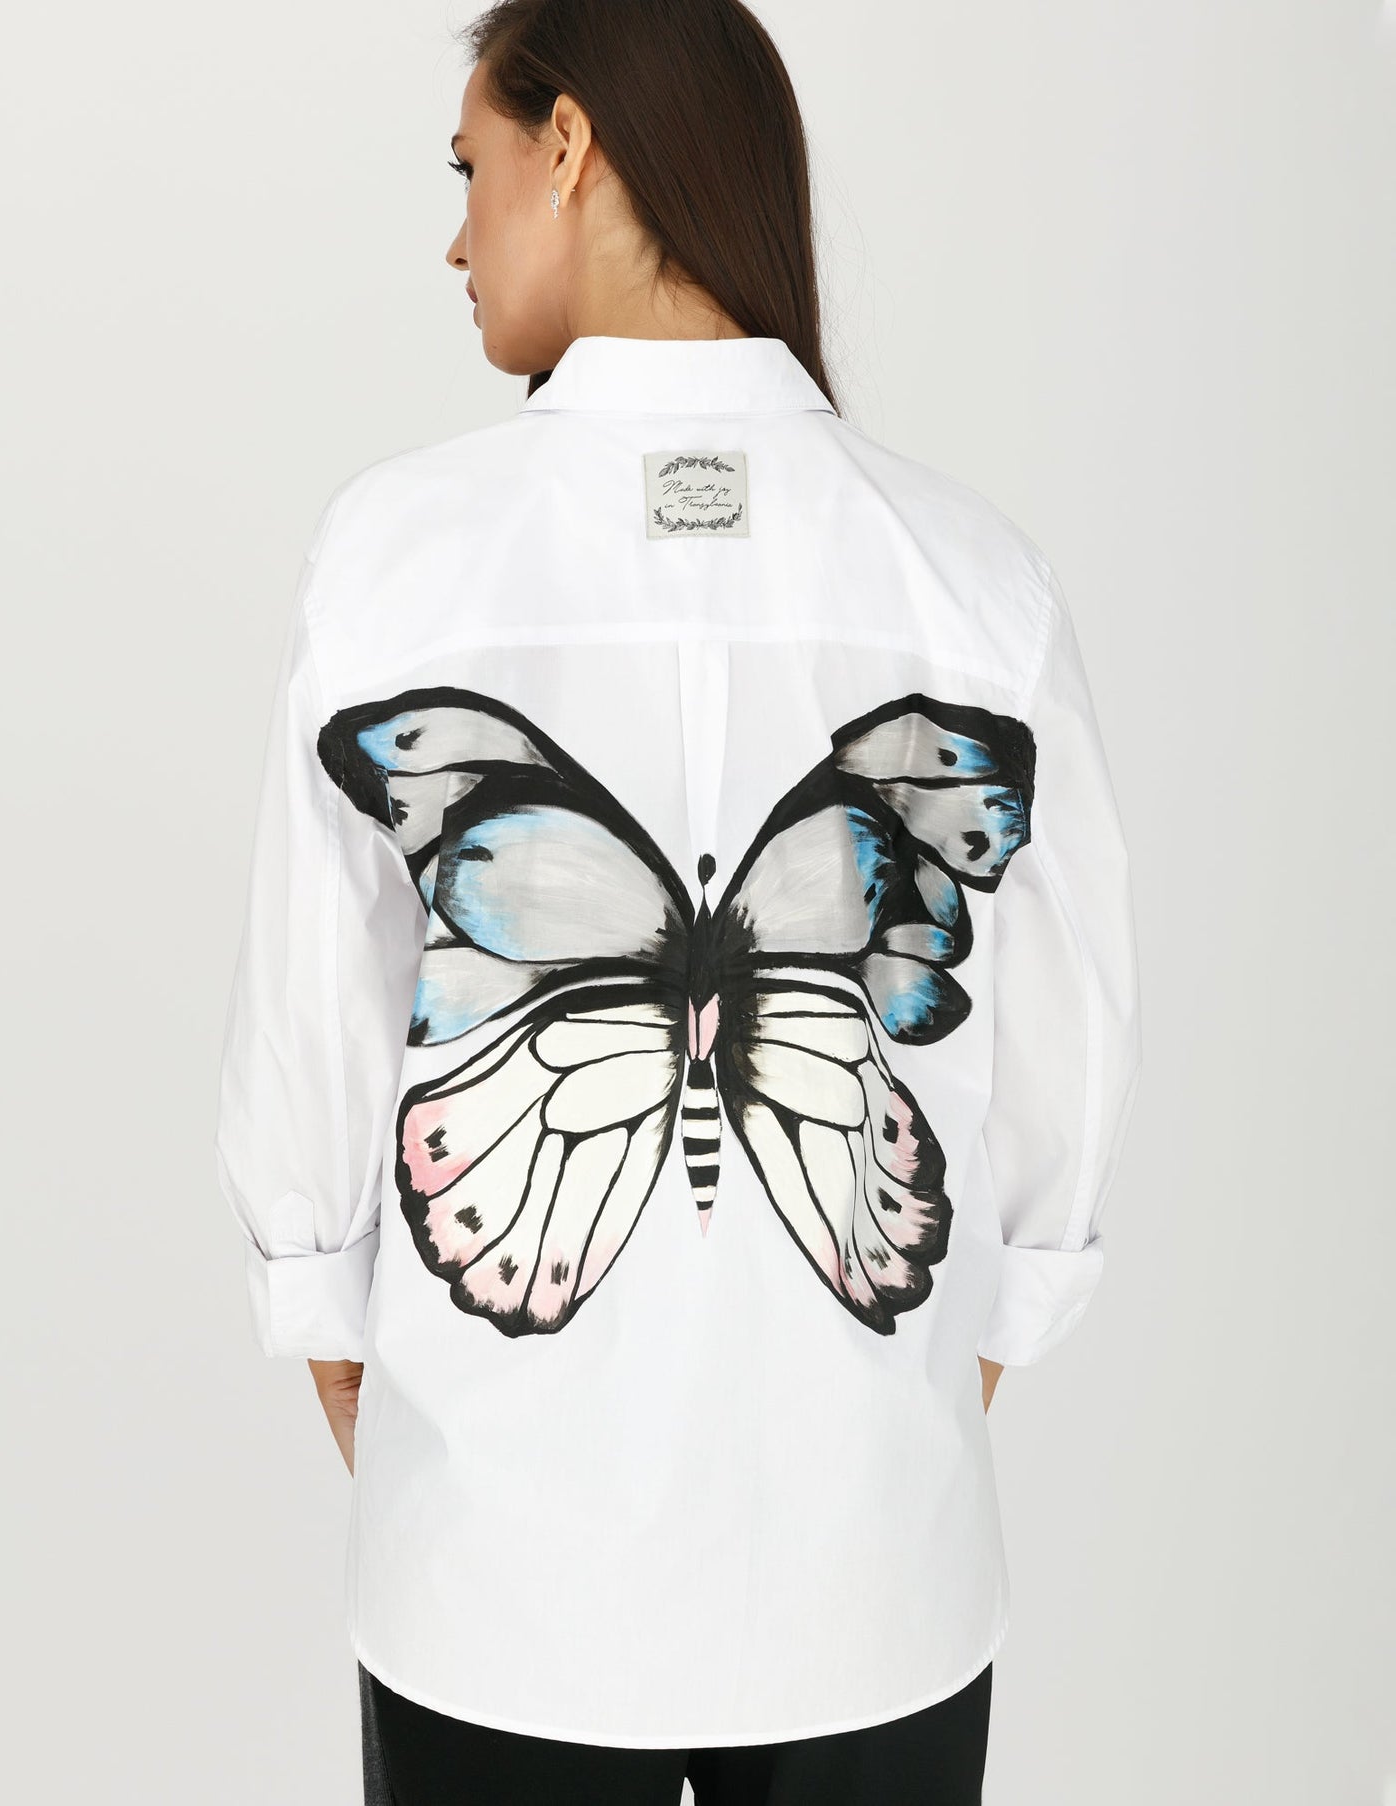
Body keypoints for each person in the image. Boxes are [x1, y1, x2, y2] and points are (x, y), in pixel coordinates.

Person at [213, 0, 1143, 1800]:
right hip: (875, 1574)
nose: (455, 237)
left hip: (492, 1579)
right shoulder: (973, 582)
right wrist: (957, 1357)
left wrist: (343, 1330)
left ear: (569, 145)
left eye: (470, 169)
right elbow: (1066, 1039)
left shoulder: (393, 558)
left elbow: (309, 1022)